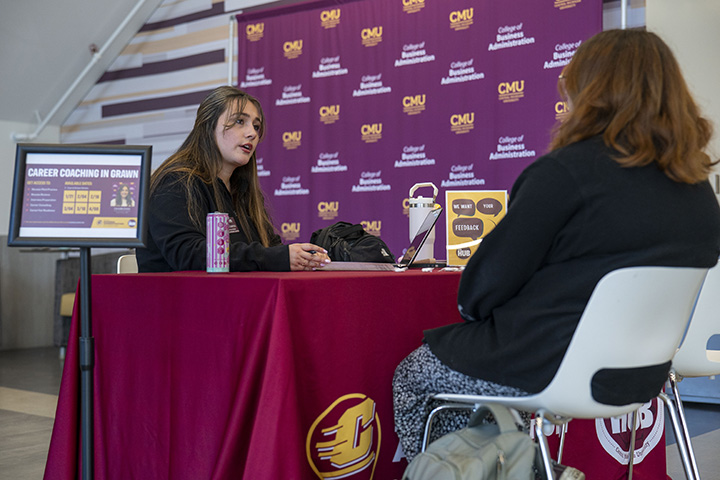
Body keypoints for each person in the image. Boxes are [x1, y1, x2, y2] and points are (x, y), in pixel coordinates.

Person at [393, 29, 720, 461]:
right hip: (645, 375)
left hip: (547, 366)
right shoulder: (698, 190)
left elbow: (479, 293)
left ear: (590, 91)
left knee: (415, 374)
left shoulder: (564, 173)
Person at [136, 86, 330, 272]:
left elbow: (267, 248)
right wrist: (278, 258)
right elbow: (189, 255)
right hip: (179, 302)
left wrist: (302, 256)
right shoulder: (175, 182)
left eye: (256, 126)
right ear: (208, 126)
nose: (252, 133)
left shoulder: (243, 191)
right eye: (240, 121)